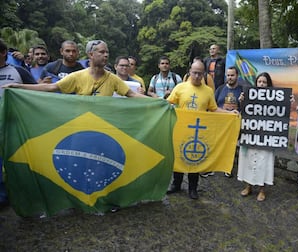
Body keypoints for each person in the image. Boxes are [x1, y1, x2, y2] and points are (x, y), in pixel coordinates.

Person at [165, 60, 238, 200]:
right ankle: (176, 184)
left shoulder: (208, 91)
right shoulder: (180, 88)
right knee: (179, 156)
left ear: (204, 73)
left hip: (199, 131)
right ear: (190, 72)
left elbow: (214, 109)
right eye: (194, 73)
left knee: (195, 159)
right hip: (181, 130)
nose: (197, 76)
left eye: (200, 73)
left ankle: (193, 188)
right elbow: (168, 104)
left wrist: (229, 114)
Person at [2, 40, 147, 98]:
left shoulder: (113, 79)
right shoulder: (78, 76)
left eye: (107, 52)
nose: (106, 55)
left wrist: (159, 102)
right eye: (102, 52)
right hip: (80, 124)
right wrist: (18, 86)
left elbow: (132, 95)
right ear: (90, 54)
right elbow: (52, 88)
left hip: (104, 126)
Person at [0, 39, 37, 207]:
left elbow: (36, 93)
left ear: (3, 53)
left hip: (14, 125)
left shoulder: (19, 71)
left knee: (18, 160)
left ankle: (24, 194)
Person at [237, 72, 279, 201]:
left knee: (264, 161)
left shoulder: (275, 99)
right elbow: (243, 112)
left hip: (266, 137)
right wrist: (241, 101)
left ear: (268, 84)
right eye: (259, 82)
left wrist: (288, 102)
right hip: (251, 135)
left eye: (264, 82)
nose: (261, 84)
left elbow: (280, 113)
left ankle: (262, 189)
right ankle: (248, 186)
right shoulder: (248, 96)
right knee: (248, 160)